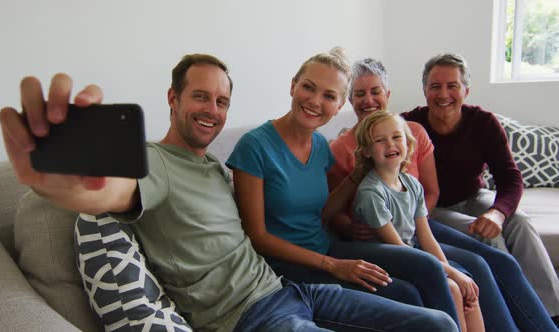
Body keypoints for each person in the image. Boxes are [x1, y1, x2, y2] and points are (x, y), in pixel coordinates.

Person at [0, 54, 457, 331]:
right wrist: (74, 188)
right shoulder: (151, 161)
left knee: (435, 322)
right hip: (249, 318)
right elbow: (113, 192)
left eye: (221, 102)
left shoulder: (216, 168)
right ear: (173, 98)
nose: (212, 111)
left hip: (290, 289)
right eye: (200, 97)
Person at [226, 48, 463, 328]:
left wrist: (357, 175)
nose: (315, 101)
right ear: (293, 85)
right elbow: (257, 236)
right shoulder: (255, 146)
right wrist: (333, 266)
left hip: (328, 247)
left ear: (339, 106)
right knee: (405, 293)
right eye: (308, 88)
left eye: (329, 96)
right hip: (286, 266)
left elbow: (323, 213)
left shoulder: (319, 146)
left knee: (428, 266)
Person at [329, 57, 558, 331]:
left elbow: (430, 193)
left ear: (387, 94)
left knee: (509, 241)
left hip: (423, 219)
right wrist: (355, 228)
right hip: (392, 231)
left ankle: (547, 323)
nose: (369, 100)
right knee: (479, 258)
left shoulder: (410, 131)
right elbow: (333, 212)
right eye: (359, 94)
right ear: (348, 100)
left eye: (376, 91)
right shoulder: (346, 151)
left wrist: (418, 220)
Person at [401, 52, 559, 327]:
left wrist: (498, 213)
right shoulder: (408, 125)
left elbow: (510, 177)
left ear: (466, 90)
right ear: (425, 91)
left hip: (473, 195)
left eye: (453, 86)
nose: (444, 94)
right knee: (486, 236)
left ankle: (551, 312)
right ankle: (513, 312)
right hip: (435, 208)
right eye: (435, 86)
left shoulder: (483, 122)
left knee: (519, 221)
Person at [352, 111, 484, 332]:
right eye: (380, 140)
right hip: (387, 261)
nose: (390, 144)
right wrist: (451, 275)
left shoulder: (411, 184)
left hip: (412, 256)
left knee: (467, 287)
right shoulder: (371, 193)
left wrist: (450, 269)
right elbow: (399, 248)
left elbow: (426, 237)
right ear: (366, 151)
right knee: (452, 288)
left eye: (396, 137)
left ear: (408, 143)